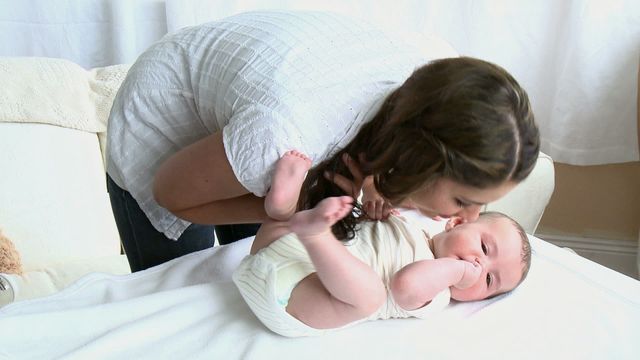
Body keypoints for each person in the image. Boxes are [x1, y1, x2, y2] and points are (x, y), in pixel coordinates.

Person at [106, 10, 539, 272]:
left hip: (252, 95)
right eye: (464, 199)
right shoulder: (280, 136)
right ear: (423, 158)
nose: (470, 216)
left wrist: (377, 180)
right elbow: (172, 195)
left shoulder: (430, 88)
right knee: (183, 290)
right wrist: (298, 208)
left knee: (252, 262)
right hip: (160, 123)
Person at [233, 151, 532, 337]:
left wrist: (456, 270)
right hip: (286, 253)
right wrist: (375, 202)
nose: (479, 267)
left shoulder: (438, 293)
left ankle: (310, 230)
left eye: (490, 280)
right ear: (455, 223)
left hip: (296, 300)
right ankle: (280, 210)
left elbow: (405, 286)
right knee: (299, 218)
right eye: (484, 248)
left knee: (371, 297)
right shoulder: (412, 223)